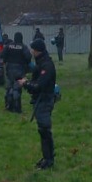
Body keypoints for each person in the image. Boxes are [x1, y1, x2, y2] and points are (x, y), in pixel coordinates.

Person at [19, 38, 57, 169]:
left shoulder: (46, 65)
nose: (31, 51)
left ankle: (49, 160)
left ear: (37, 50)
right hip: (40, 100)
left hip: (44, 100)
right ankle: (46, 157)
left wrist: (25, 84)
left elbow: (39, 85)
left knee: (45, 130)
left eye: (33, 49)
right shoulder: (41, 63)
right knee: (42, 130)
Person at [1, 32, 31, 113]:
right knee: (17, 88)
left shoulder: (9, 45)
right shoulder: (23, 47)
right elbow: (28, 57)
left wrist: (6, 60)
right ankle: (17, 108)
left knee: (9, 87)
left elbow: (2, 54)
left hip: (9, 68)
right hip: (19, 69)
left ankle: (8, 106)